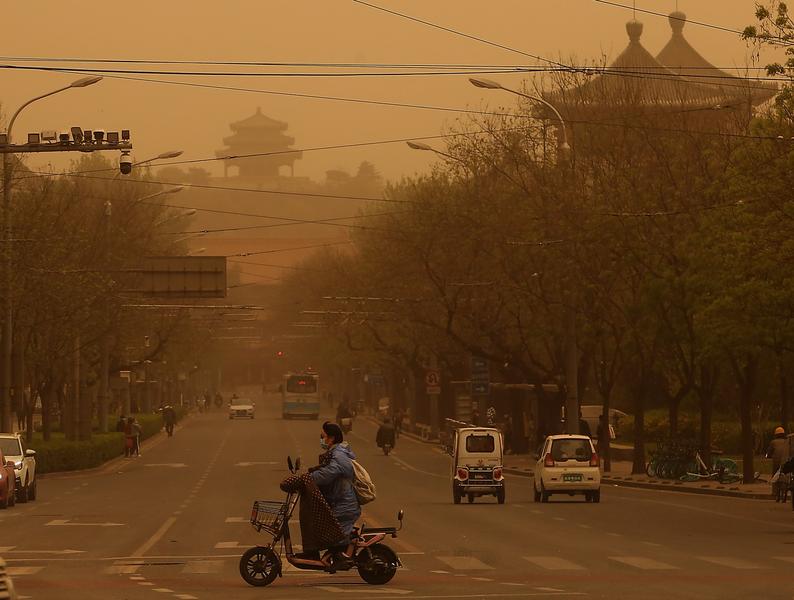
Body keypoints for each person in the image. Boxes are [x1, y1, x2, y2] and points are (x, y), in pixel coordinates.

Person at [304, 421, 360, 563]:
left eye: (323, 436)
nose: (321, 439)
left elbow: (331, 472)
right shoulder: (335, 452)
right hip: (338, 501)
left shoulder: (339, 454)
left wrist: (310, 478)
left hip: (344, 504)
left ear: (332, 438)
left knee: (324, 526)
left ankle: (345, 552)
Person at [766, 426, 789, 498]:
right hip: (786, 461)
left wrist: (767, 456)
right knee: (787, 475)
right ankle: (786, 490)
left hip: (776, 461)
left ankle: (774, 492)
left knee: (775, 475)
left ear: (776, 435)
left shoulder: (773, 442)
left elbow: (769, 453)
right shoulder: (787, 441)